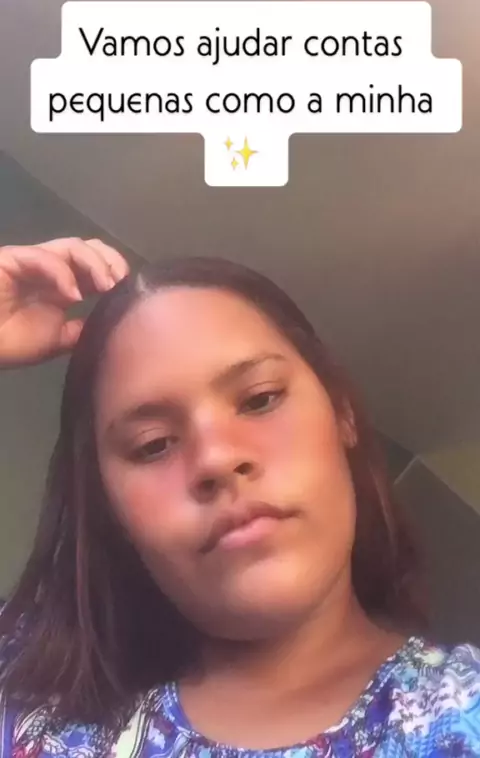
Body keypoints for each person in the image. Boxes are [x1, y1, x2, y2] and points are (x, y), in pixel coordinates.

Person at [0, 237, 478, 758]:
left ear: (341, 412)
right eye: (153, 445)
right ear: (110, 507)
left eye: (260, 399)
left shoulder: (462, 716)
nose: (216, 458)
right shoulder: (22, 686)